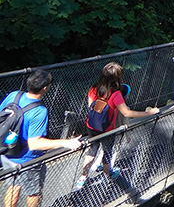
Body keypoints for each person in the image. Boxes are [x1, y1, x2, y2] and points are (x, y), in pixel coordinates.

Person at [0, 70, 82, 207]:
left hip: (7, 152)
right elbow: (34, 143)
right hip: (28, 160)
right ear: (45, 88)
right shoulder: (39, 111)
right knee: (33, 192)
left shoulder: (14, 95)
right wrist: (66, 142)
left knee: (13, 186)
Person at [76, 62, 159, 190]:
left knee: (92, 150)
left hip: (91, 127)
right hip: (107, 129)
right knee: (107, 152)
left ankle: (82, 177)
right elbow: (127, 112)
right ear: (117, 78)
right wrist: (149, 113)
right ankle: (108, 173)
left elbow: (90, 107)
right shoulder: (115, 94)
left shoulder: (94, 88)